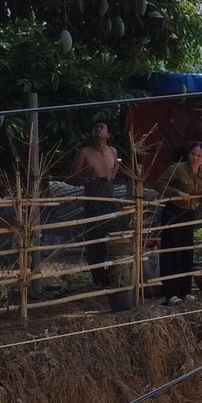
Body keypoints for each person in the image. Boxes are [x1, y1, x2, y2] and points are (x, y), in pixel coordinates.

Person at [156, 141, 202, 302]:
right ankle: (170, 293)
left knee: (187, 251)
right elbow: (160, 184)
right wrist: (178, 192)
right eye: (192, 154)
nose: (195, 158)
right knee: (171, 252)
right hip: (173, 211)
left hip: (189, 213)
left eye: (199, 155)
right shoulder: (178, 168)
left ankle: (185, 291)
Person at [69, 121, 125, 288]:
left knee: (111, 235)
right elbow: (74, 175)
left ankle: (113, 273)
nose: (98, 129)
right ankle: (98, 275)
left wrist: (111, 176)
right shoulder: (84, 152)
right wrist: (92, 180)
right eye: (96, 127)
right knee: (94, 238)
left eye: (102, 127)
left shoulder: (112, 151)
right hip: (93, 198)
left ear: (108, 135)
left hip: (109, 197)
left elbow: (116, 164)